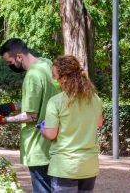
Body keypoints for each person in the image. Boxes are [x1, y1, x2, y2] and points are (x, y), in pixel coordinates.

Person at [0, 38, 60, 192]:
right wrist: (13, 106)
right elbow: (42, 98)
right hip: (55, 145)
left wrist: (2, 120)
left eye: (9, 62)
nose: (9, 66)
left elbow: (31, 116)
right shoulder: (46, 64)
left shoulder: (32, 76)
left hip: (39, 147)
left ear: (19, 56)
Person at [41, 55, 103, 193]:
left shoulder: (56, 102)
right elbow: (99, 123)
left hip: (65, 167)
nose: (53, 79)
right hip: (89, 166)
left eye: (54, 75)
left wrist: (42, 128)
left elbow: (51, 134)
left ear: (63, 78)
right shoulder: (94, 98)